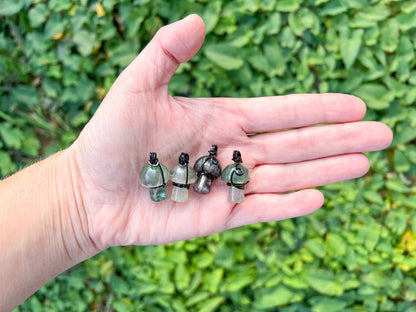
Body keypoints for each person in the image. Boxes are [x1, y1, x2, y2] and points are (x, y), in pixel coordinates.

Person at [0, 14, 392, 311]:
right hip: (179, 184)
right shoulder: (173, 166)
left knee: (213, 189)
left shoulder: (223, 165)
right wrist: (81, 194)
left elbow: (220, 170)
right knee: (182, 190)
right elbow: (168, 173)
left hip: (209, 184)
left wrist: (78, 202)